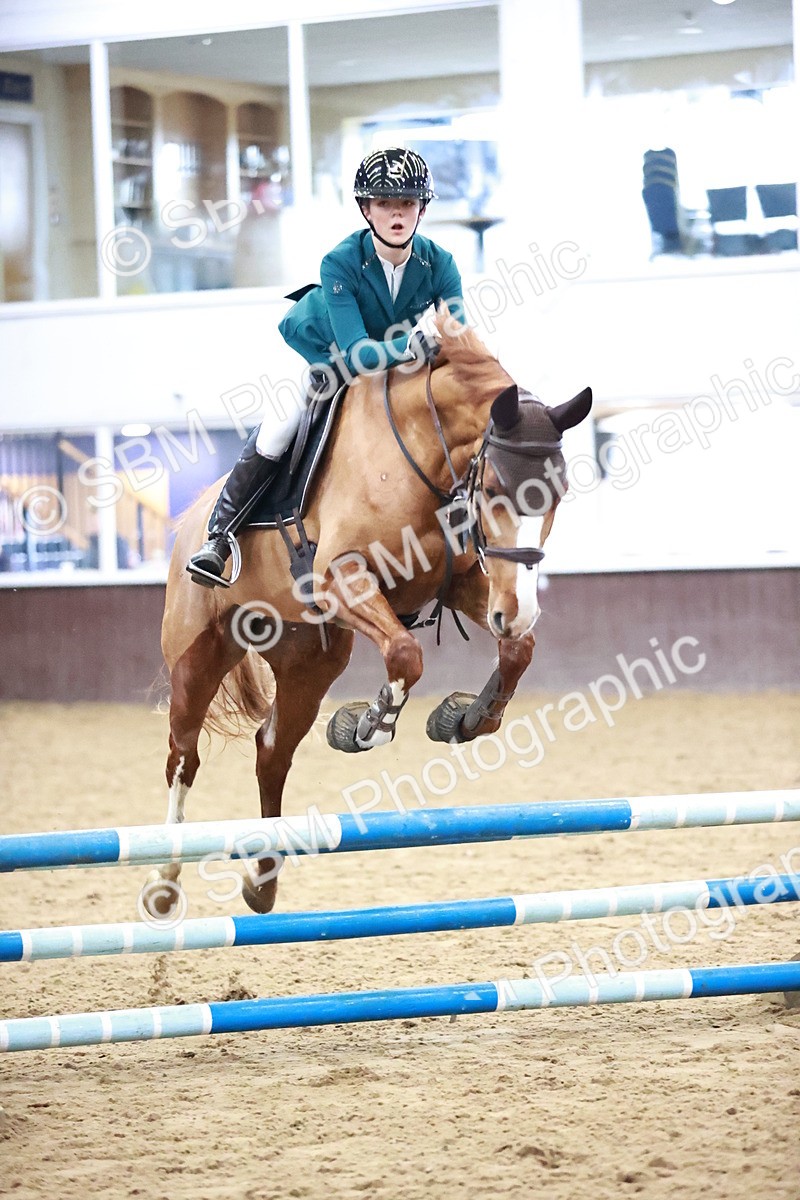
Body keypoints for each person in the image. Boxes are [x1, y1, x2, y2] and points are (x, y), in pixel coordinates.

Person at [187, 146, 466, 587]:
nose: (397, 215)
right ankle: (218, 537)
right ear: (366, 210)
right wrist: (413, 344)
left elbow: (459, 337)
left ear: (422, 209)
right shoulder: (340, 261)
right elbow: (356, 354)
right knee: (285, 420)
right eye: (385, 204)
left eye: (408, 204)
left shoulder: (441, 264)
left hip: (393, 366)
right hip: (326, 351)